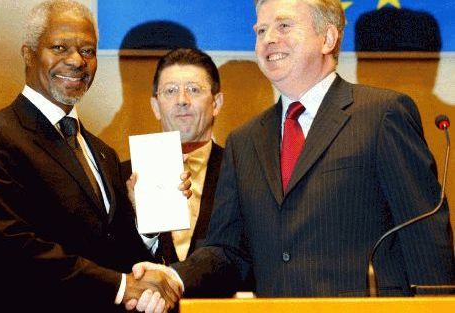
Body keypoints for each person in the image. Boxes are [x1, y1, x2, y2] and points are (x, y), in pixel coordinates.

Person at [131, 0, 455, 304]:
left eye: (283, 26)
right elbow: (228, 253)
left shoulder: (381, 115)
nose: (268, 39)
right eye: (260, 30)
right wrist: (173, 276)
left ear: (327, 38)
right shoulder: (245, 142)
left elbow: (425, 235)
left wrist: (438, 305)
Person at [0, 1, 187, 312]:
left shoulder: (103, 154)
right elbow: (12, 249)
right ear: (28, 53)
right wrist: (123, 286)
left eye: (88, 51)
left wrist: (144, 225)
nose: (76, 61)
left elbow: (114, 254)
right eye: (59, 47)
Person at [121, 48, 225, 266]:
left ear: (216, 103)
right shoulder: (120, 177)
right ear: (156, 107)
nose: (182, 100)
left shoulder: (241, 171)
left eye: (194, 90)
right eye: (170, 91)